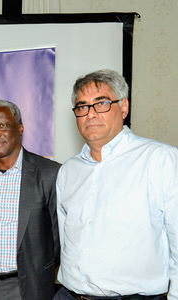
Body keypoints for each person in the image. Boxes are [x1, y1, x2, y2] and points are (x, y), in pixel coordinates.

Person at [55, 69, 178, 299]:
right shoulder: (68, 171)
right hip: (69, 294)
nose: (90, 114)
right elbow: (66, 239)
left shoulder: (160, 160)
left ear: (124, 107)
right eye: (82, 107)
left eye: (101, 103)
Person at [0, 100, 61, 300]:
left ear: (20, 127)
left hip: (26, 287)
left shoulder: (50, 173)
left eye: (2, 125)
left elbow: (58, 237)